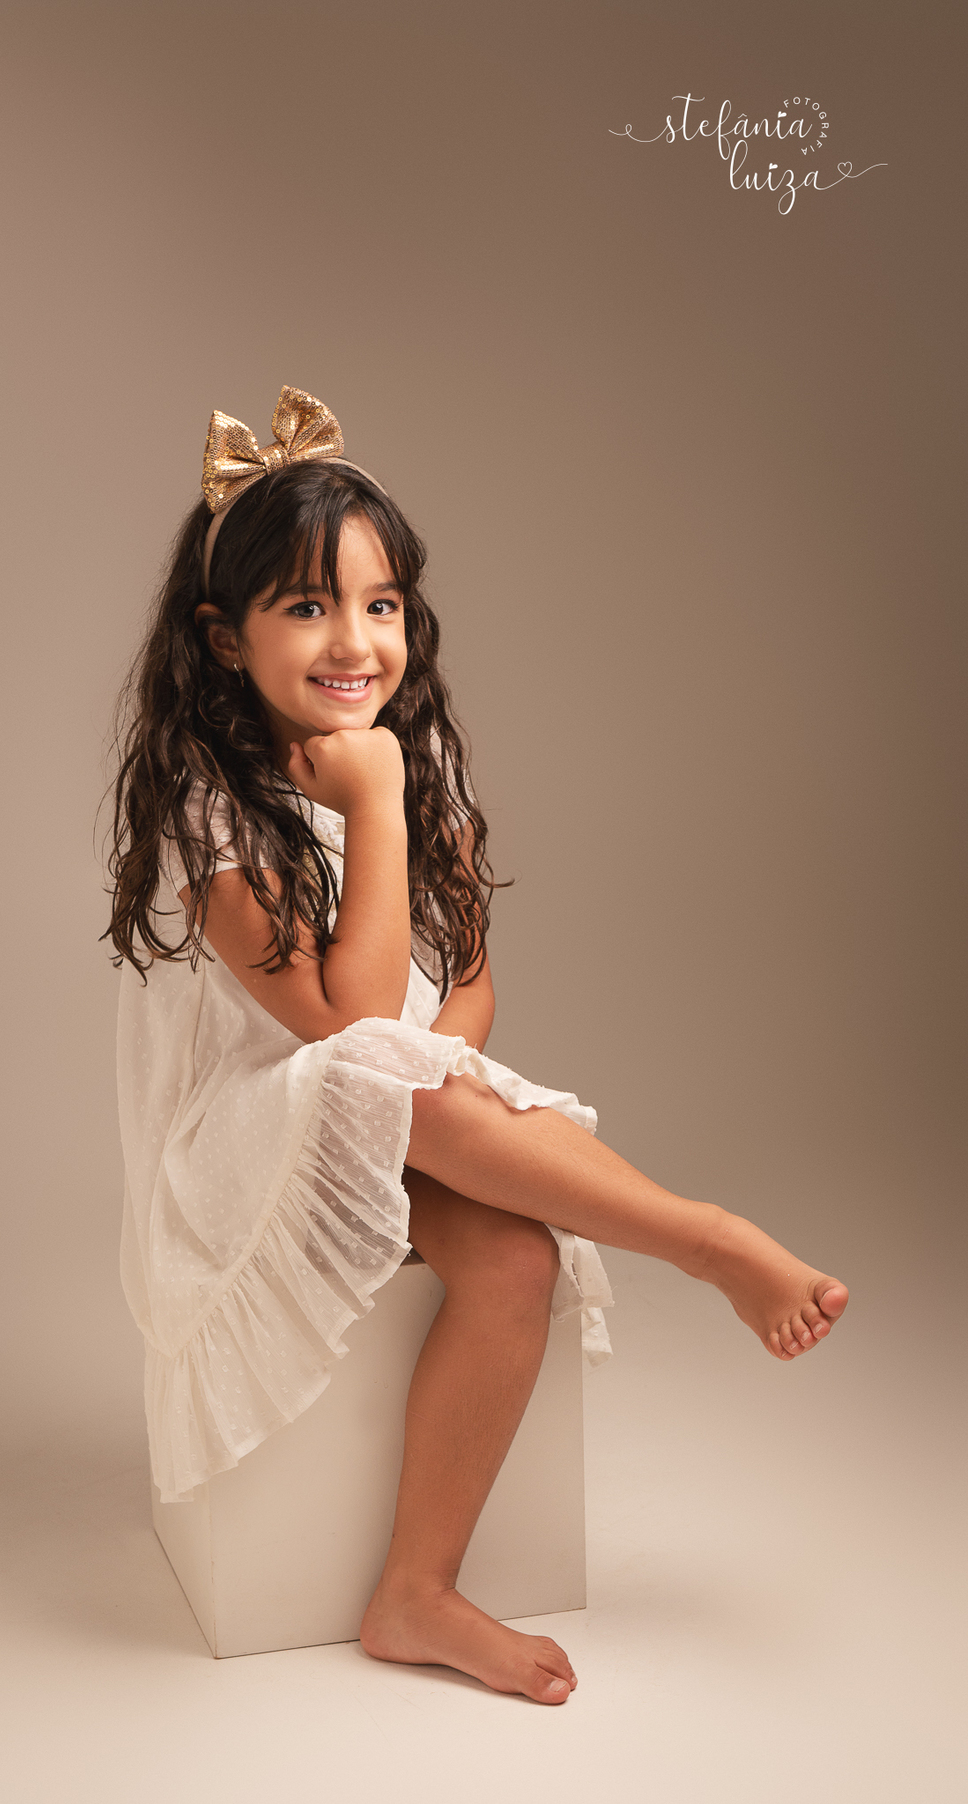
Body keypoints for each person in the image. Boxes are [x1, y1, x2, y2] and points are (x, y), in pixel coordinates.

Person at [105, 385, 848, 1707]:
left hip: (394, 1107)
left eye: (382, 604)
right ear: (224, 639)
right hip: (250, 1135)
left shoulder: (417, 750)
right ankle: (703, 1238)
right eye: (308, 606)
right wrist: (373, 798)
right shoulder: (214, 806)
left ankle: (416, 1591)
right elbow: (342, 1022)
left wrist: (435, 1062)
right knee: (380, 1063)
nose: (355, 641)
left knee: (512, 1258)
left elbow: (468, 981)